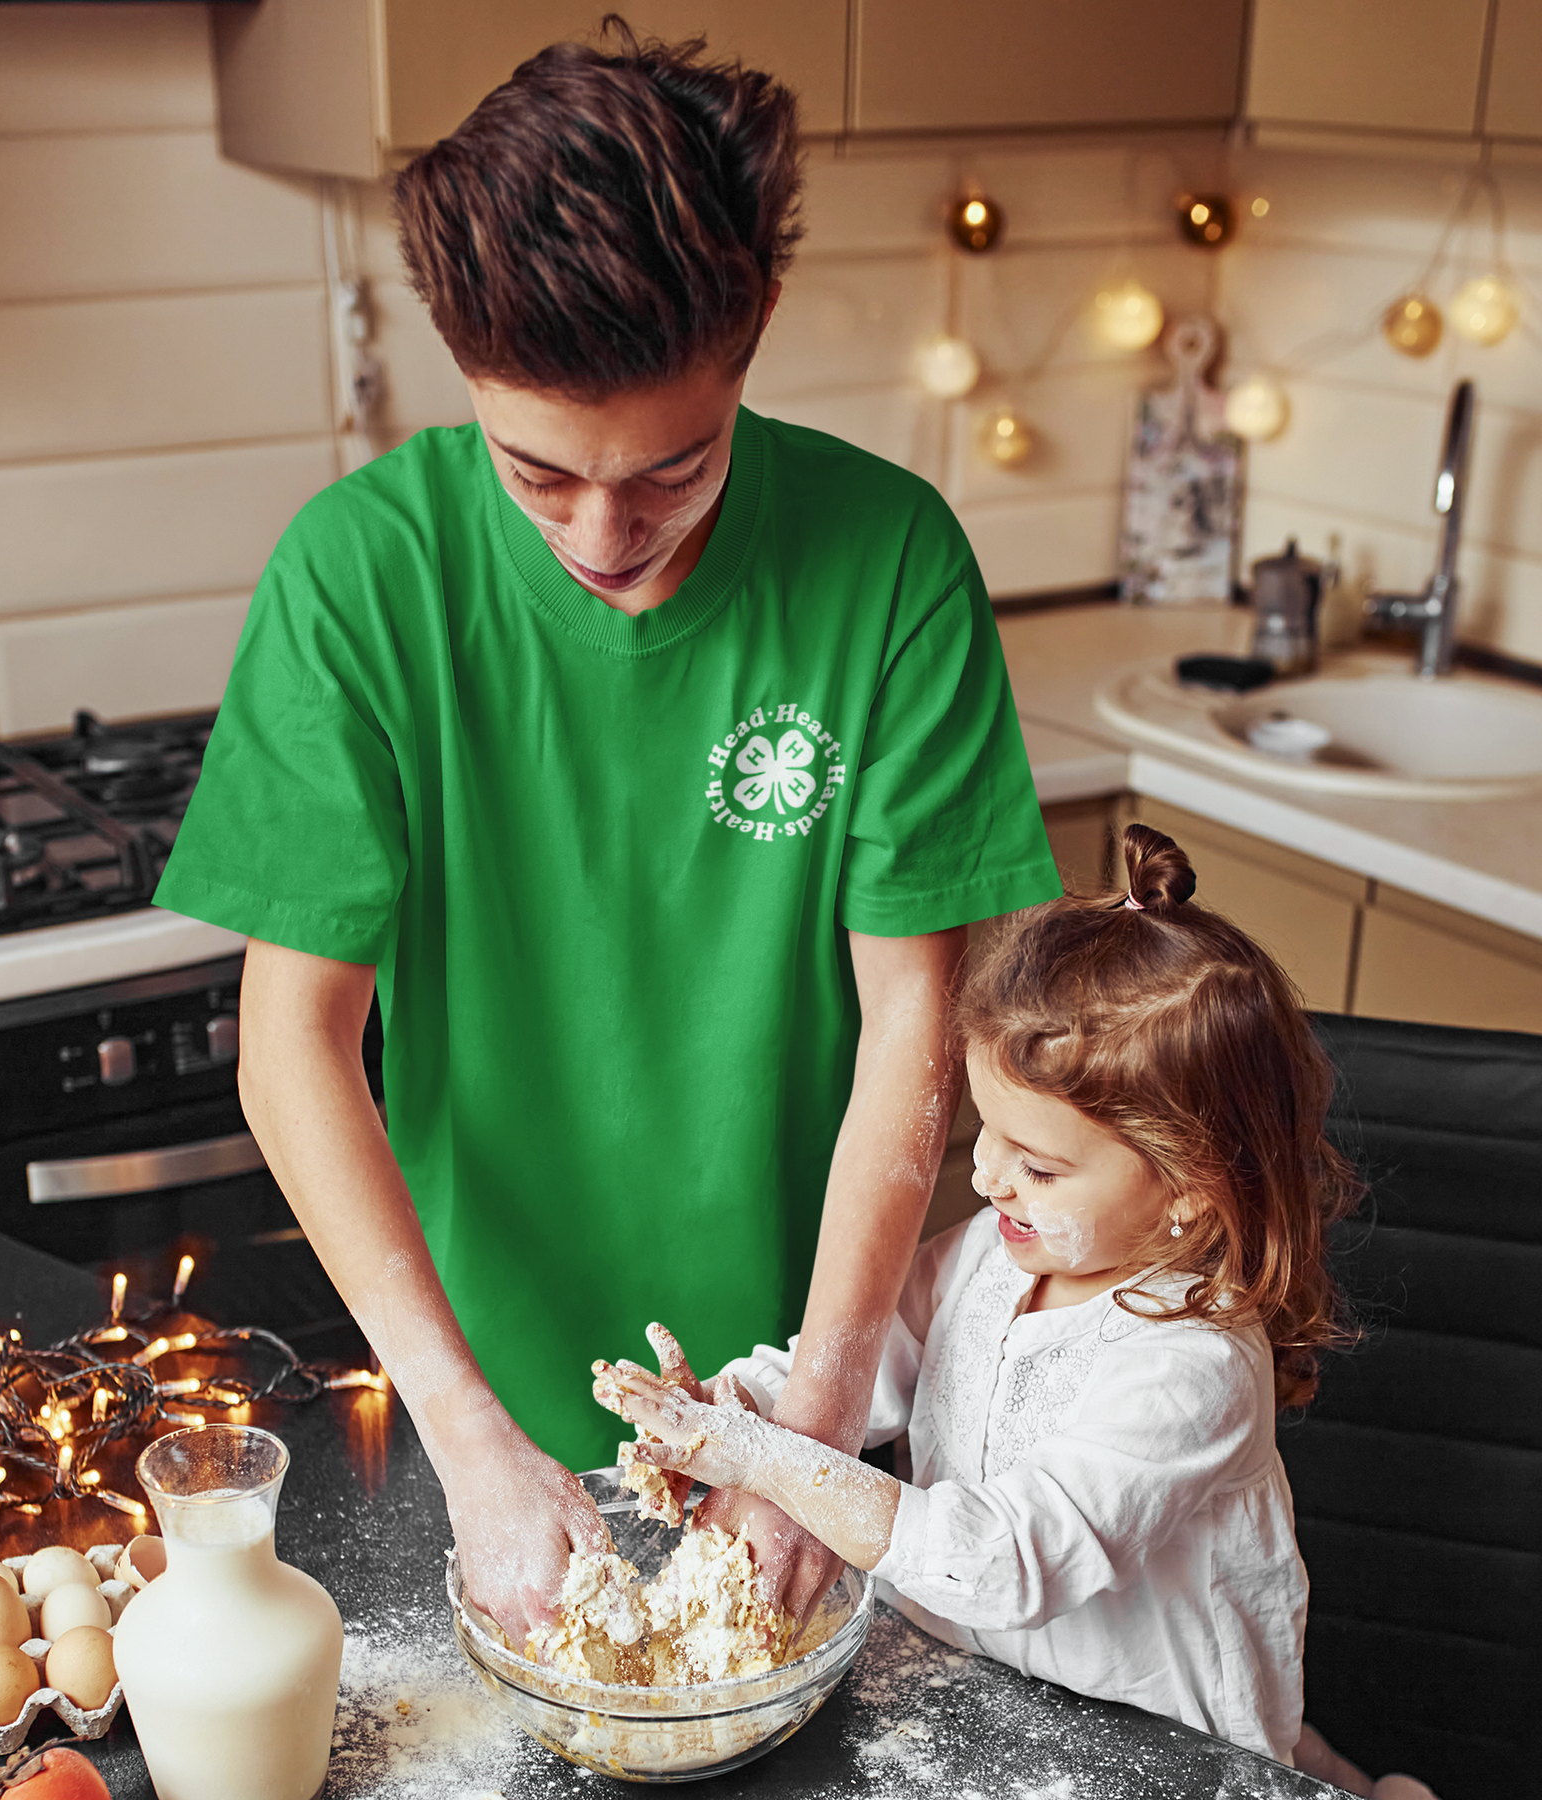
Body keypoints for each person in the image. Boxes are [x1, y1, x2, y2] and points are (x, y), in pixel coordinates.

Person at [153, 24, 1060, 1647]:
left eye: (675, 468)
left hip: (825, 1394)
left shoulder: (892, 563)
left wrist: (813, 1428)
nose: (604, 533)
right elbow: (293, 1042)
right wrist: (469, 1434)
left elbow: (914, 1029)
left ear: (754, 333)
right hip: (478, 1407)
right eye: (538, 472)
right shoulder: (359, 579)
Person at [597, 825, 1430, 1795]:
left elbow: (1000, 1563)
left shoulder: (1193, 1365)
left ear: (1189, 1191)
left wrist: (763, 1460)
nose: (988, 1178)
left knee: (1292, 1768)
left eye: (1037, 1165)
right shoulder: (990, 1258)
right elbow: (865, 1369)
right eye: (986, 1130)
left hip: (1162, 1752)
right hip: (979, 1701)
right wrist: (734, 1401)